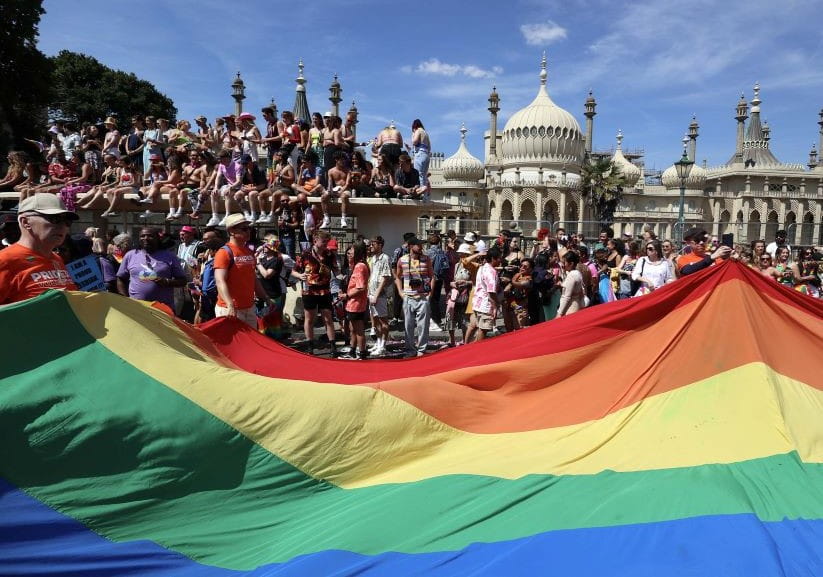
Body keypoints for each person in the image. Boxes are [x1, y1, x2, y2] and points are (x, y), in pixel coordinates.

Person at [0, 194, 78, 304]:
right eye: (55, 219)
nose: (63, 226)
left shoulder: (57, 259)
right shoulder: (5, 260)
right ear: (25, 222)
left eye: (67, 221)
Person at [116, 227, 187, 312]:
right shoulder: (130, 255)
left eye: (150, 236)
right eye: (142, 236)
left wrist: (167, 282)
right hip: (137, 308)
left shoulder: (170, 256)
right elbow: (120, 278)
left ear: (157, 238)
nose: (146, 238)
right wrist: (125, 299)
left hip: (163, 309)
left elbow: (183, 280)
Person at [291, 230, 338, 355]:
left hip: (325, 290)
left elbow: (337, 271)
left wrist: (344, 280)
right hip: (309, 291)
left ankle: (333, 345)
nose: (325, 245)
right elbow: (293, 271)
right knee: (309, 319)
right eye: (324, 242)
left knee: (328, 319)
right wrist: (300, 275)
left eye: (327, 242)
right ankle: (310, 345)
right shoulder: (305, 255)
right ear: (315, 240)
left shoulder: (329, 255)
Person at [395, 235, 433, 357]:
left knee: (423, 325)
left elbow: (432, 276)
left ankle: (421, 349)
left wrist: (430, 294)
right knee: (408, 325)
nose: (421, 247)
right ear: (411, 246)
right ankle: (410, 349)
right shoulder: (402, 260)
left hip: (423, 297)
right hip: (408, 297)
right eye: (419, 245)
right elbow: (397, 276)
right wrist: (400, 292)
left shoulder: (426, 259)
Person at [338, 241, 370, 360]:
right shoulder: (358, 265)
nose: (349, 252)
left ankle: (362, 353)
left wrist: (347, 295)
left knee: (359, 330)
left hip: (356, 303)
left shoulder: (359, 266)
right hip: (354, 303)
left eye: (352, 249)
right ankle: (353, 350)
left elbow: (361, 287)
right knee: (353, 329)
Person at [367, 236, 392, 357]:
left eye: (374, 244)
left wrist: (376, 294)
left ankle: (383, 344)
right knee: (375, 320)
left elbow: (385, 277)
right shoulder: (372, 258)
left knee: (383, 321)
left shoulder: (385, 258)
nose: (371, 246)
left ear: (380, 245)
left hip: (379, 294)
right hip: (371, 292)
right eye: (371, 244)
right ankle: (378, 342)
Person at [472, 245, 502, 341]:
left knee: (480, 329)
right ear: (493, 258)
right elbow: (491, 291)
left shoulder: (482, 267)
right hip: (486, 305)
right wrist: (496, 305)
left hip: (478, 303)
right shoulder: (491, 271)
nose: (500, 260)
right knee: (483, 330)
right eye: (499, 258)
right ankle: (477, 350)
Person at [556, 251, 585, 318]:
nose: (562, 265)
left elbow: (566, 297)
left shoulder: (571, 275)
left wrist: (559, 313)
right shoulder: (577, 273)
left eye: (564, 262)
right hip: (576, 306)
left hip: (569, 309)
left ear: (571, 263)